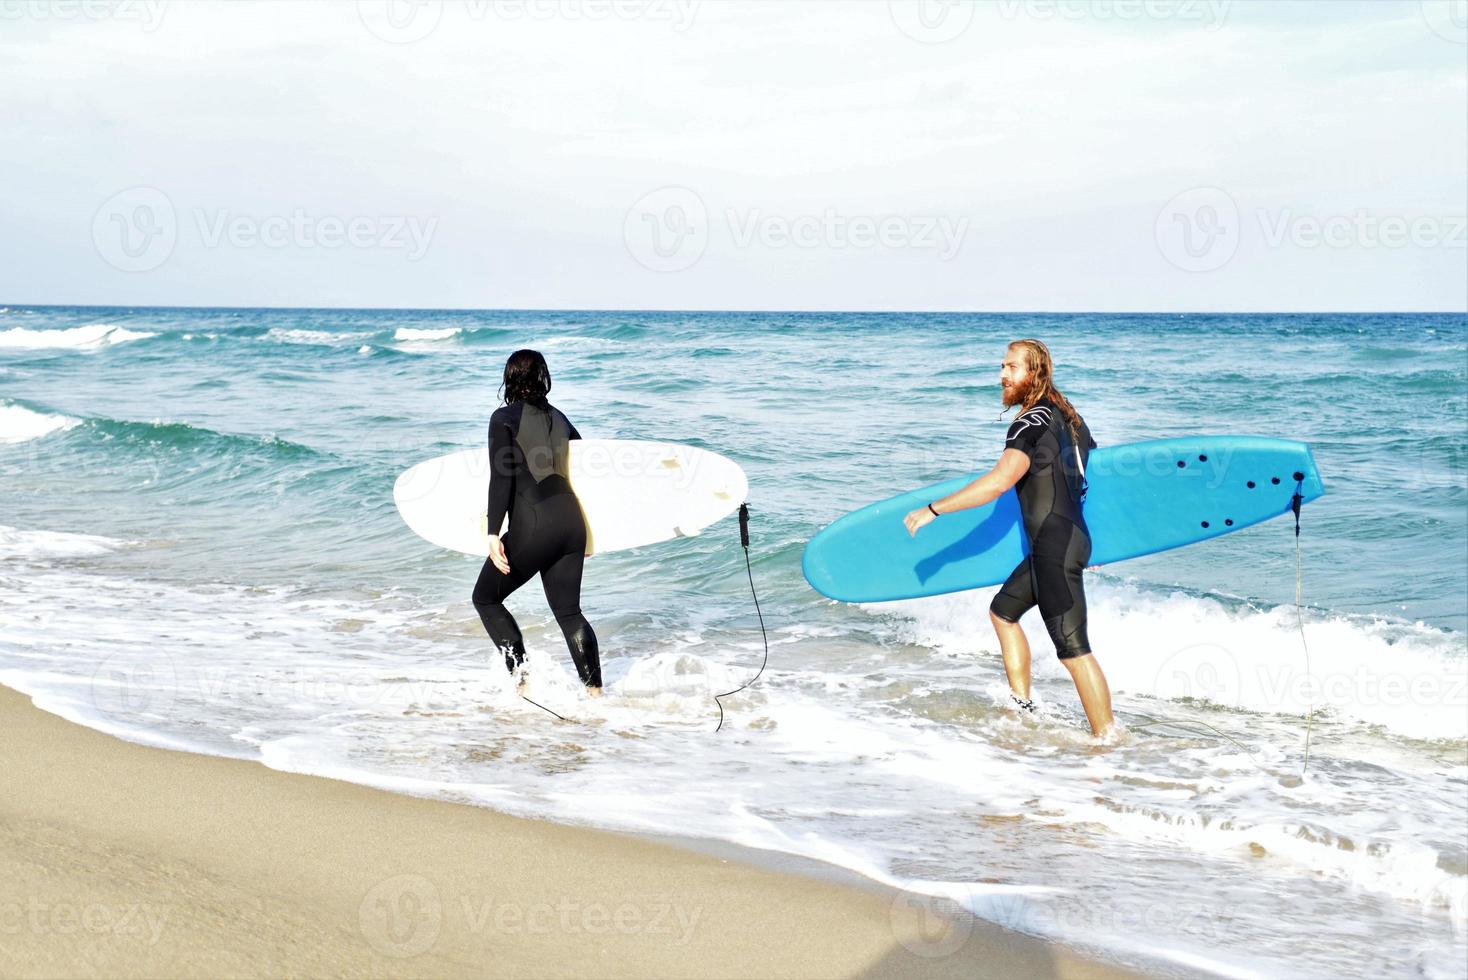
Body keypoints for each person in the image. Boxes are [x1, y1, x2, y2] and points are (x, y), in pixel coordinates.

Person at [903, 339, 1114, 737]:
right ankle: (1022, 708)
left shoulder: (1029, 421)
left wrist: (933, 510)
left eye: (1013, 367)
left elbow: (999, 482)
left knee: (1073, 651)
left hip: (1053, 546)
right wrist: (1088, 542)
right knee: (1003, 612)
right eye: (1002, 365)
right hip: (1063, 541)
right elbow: (1087, 482)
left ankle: (1109, 740)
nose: (1003, 374)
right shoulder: (1072, 420)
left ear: (1034, 373)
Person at [472, 349, 602, 696]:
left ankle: (523, 683)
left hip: (535, 525)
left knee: (485, 599)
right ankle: (596, 696)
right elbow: (585, 472)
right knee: (569, 612)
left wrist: (492, 532)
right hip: (572, 524)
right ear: (542, 377)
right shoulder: (561, 418)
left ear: (510, 377)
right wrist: (588, 534)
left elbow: (501, 478)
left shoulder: (503, 418)